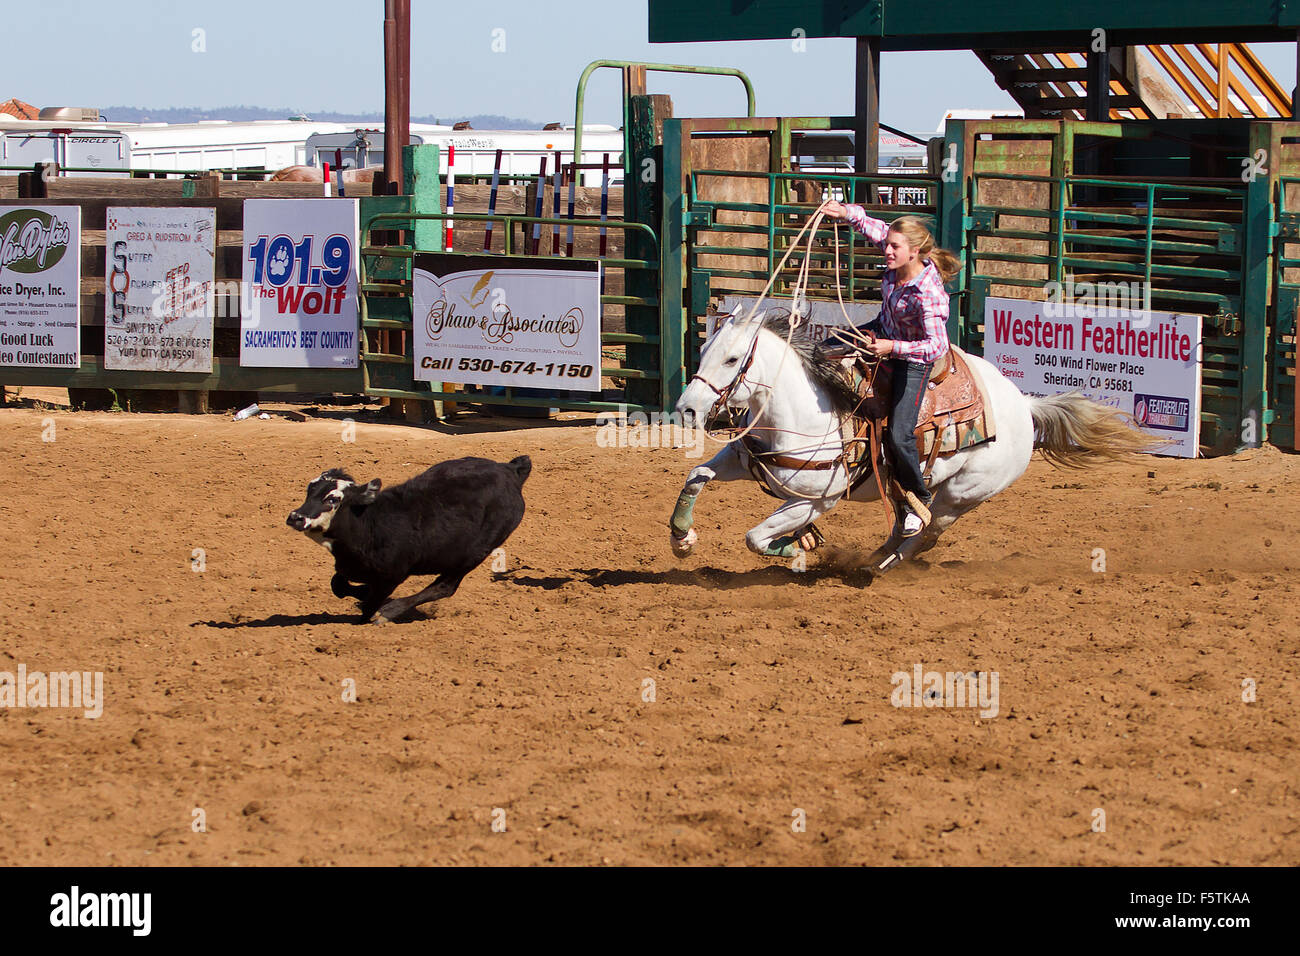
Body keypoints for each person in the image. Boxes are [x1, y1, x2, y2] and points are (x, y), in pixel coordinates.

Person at [818, 202, 961, 537]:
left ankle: (918, 499)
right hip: (884, 331)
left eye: (895, 247)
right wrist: (845, 213)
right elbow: (875, 228)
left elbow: (936, 346)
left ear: (914, 252)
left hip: (913, 359)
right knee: (819, 352)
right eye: (889, 244)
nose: (888, 250)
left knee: (899, 432)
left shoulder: (929, 292)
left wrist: (892, 348)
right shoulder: (898, 253)